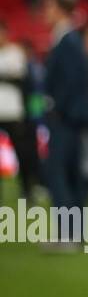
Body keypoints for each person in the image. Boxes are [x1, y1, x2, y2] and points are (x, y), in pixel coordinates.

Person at [41, 0, 88, 250]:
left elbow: (72, 81)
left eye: (49, 5)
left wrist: (56, 108)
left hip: (66, 118)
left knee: (57, 172)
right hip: (73, 116)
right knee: (73, 173)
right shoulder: (69, 39)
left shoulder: (67, 40)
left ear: (60, 9)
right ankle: (77, 233)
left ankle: (68, 235)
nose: (45, 11)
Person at [0, 20, 40, 203]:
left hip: (14, 113)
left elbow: (21, 79)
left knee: (23, 154)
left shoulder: (15, 53)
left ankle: (27, 190)